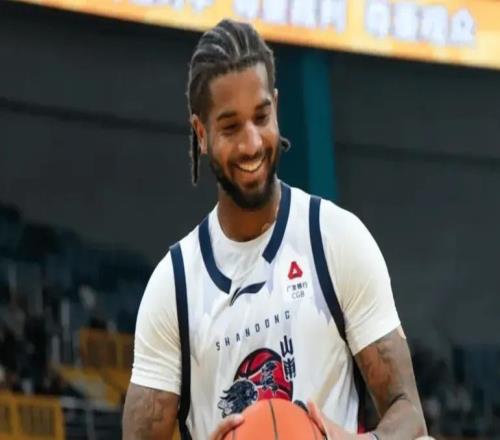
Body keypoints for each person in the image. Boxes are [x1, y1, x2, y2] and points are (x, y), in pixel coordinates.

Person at [122, 19, 427, 440]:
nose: (251, 143)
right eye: (231, 126)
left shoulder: (335, 239)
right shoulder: (173, 288)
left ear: (276, 108)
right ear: (201, 133)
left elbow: (409, 415)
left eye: (261, 116)